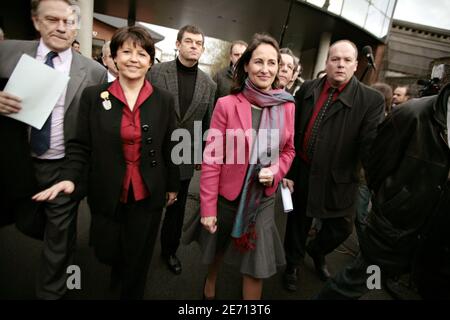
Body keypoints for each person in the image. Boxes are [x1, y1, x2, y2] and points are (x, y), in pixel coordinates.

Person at [32, 25, 180, 300]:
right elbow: (80, 145)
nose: (134, 59)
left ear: (150, 61)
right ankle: (118, 276)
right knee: (107, 249)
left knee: (138, 257)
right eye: (126, 52)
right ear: (112, 57)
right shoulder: (93, 96)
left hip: (148, 193)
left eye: (141, 54)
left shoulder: (164, 100)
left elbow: (170, 145)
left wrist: (172, 186)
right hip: (107, 190)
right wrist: (69, 177)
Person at [0, 0, 106, 300]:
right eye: (52, 19)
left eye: (69, 21)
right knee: (26, 221)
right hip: (16, 163)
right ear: (36, 21)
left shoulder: (94, 72)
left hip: (63, 167)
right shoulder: (7, 53)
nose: (61, 27)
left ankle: (53, 290)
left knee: (57, 238)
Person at [315, 83, 450, 300]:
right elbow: (377, 166)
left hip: (439, 252)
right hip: (394, 235)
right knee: (358, 286)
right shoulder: (412, 115)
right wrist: (393, 204)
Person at [195, 33, 295, 300]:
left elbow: (288, 150)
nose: (266, 69)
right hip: (227, 196)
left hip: (262, 199)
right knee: (219, 248)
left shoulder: (286, 106)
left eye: (272, 63)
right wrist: (207, 208)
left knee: (255, 266)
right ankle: (211, 281)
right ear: (247, 64)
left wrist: (275, 172)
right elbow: (212, 158)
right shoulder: (226, 104)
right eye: (259, 61)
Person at [282, 40, 385, 292]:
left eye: (347, 60)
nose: (340, 64)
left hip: (340, 178)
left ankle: (316, 251)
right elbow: (292, 132)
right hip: (303, 170)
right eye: (335, 59)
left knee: (341, 227)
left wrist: (378, 180)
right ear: (326, 62)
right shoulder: (307, 89)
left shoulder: (371, 100)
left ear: (355, 64)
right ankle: (292, 265)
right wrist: (289, 171)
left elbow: (370, 144)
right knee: (298, 223)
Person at [148, 24, 216, 275]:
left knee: (176, 211)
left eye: (198, 43)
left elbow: (207, 123)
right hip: (153, 152)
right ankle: (139, 249)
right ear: (177, 44)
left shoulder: (209, 84)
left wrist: (201, 154)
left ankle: (169, 251)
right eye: (189, 41)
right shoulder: (156, 72)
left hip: (185, 156)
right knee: (148, 206)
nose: (194, 46)